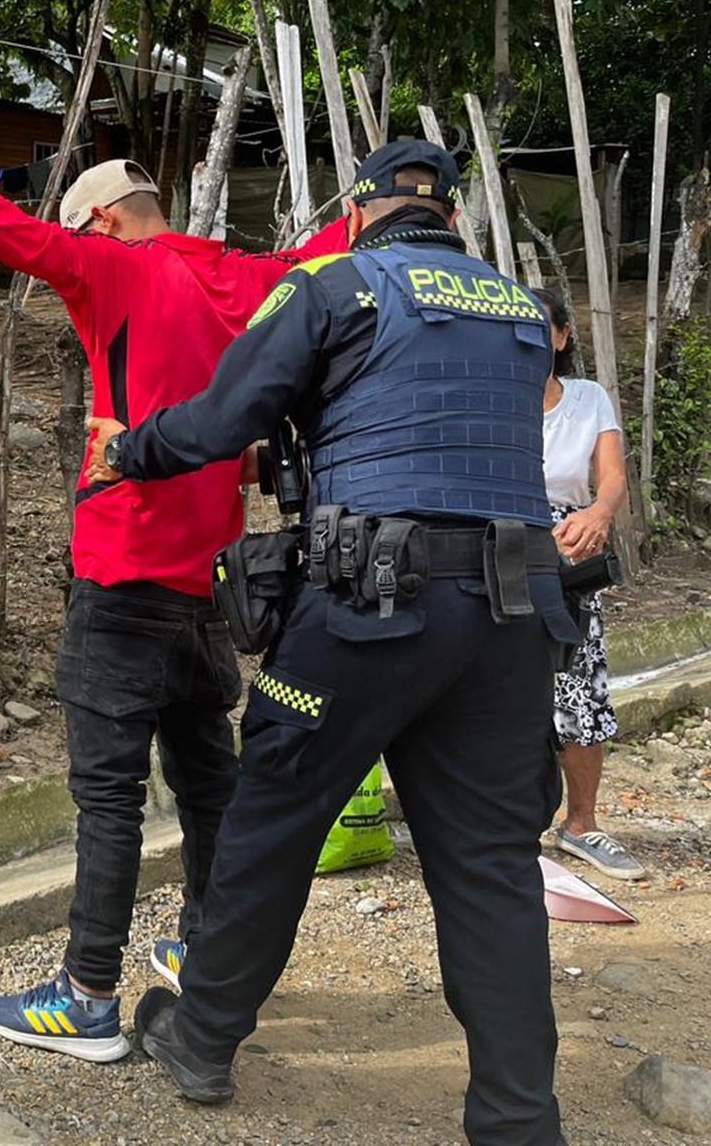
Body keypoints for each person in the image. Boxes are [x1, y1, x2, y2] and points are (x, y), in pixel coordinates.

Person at [0, 66, 346, 1061]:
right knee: (209, 781)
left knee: (109, 797)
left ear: (100, 225)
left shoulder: (112, 269)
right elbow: (341, 242)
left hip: (124, 572)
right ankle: (206, 947)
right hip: (207, 585)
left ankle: (89, 997)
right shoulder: (250, 278)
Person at [94, 139, 577, 1146]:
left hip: (373, 605)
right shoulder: (521, 310)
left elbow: (223, 420)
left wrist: (126, 451)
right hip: (516, 611)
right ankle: (518, 1119)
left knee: (273, 814)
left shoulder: (336, 285)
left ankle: (205, 1034)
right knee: (490, 864)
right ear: (447, 216)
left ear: (357, 215)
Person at [533, 286, 639, 880]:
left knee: (579, 682)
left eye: (541, 327)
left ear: (563, 336)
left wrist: (599, 516)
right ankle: (501, 826)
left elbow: (613, 478)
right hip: (501, 548)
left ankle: (582, 825)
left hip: (572, 555)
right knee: (494, 688)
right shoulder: (488, 398)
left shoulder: (588, 398)